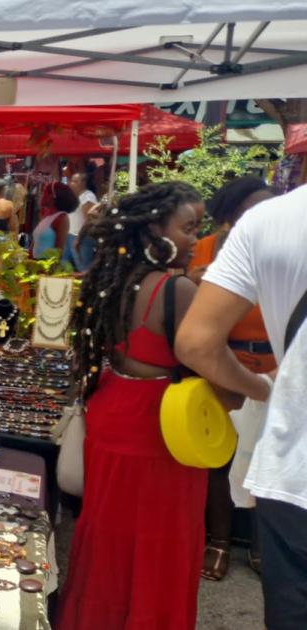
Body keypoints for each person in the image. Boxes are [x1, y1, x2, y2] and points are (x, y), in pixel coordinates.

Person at [59, 181, 205, 630]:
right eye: (188, 228)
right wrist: (259, 386)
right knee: (160, 542)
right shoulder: (176, 290)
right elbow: (207, 364)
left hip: (113, 409)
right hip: (160, 425)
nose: (196, 239)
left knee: (109, 539)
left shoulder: (114, 281)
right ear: (154, 229)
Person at [176, 183, 307, 630]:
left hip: (277, 395)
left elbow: (196, 341)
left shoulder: (270, 224)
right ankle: (221, 541)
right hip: (243, 372)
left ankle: (252, 546)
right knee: (225, 461)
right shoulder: (218, 246)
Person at [183, 176, 276, 582]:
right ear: (230, 218)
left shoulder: (285, 249)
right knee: (218, 456)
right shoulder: (206, 250)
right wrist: (193, 281)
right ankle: (219, 541)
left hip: (277, 365)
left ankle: (260, 543)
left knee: (268, 456)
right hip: (222, 362)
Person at [31, 183, 77, 258]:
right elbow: (36, 243)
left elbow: (58, 252)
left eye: (44, 192)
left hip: (46, 264)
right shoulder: (46, 216)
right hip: (34, 263)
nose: (41, 195)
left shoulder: (62, 218)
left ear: (52, 197)